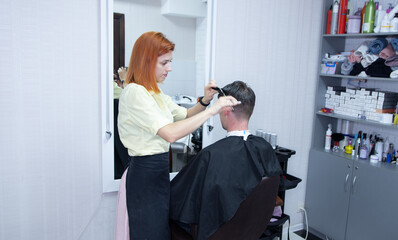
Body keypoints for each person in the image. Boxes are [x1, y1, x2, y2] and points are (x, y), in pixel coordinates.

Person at [117, 31, 240, 240]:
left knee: (160, 232)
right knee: (149, 234)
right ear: (146, 61)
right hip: (145, 175)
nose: (170, 68)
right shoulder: (134, 92)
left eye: (170, 62)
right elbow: (170, 134)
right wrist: (212, 111)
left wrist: (206, 100)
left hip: (159, 172)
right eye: (164, 63)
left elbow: (184, 114)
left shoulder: (155, 93)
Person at [169, 81, 283, 240]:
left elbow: (177, 198)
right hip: (249, 230)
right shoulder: (265, 148)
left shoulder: (210, 156)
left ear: (226, 109)